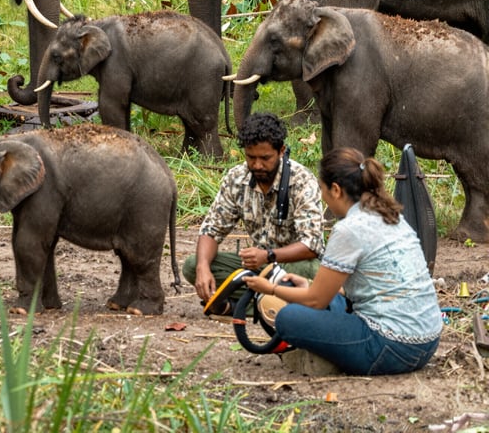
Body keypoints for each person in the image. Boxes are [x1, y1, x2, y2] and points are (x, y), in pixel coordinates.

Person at [245, 147, 442, 375]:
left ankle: (336, 359)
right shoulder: (391, 216)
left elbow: (316, 302)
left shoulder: (349, 229)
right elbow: (368, 287)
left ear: (336, 190)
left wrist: (270, 288)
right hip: (428, 341)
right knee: (324, 301)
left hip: (392, 348)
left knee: (288, 318)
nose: (324, 197)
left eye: (323, 190)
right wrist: (309, 287)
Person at [184, 112, 325, 309]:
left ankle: (245, 307)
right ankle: (273, 305)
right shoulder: (237, 178)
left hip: (295, 267)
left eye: (265, 158)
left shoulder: (301, 180)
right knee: (192, 265)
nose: (257, 165)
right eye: (251, 157)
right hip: (258, 269)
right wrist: (202, 268)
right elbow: (211, 230)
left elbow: (311, 246)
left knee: (309, 271)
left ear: (281, 151)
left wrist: (268, 255)